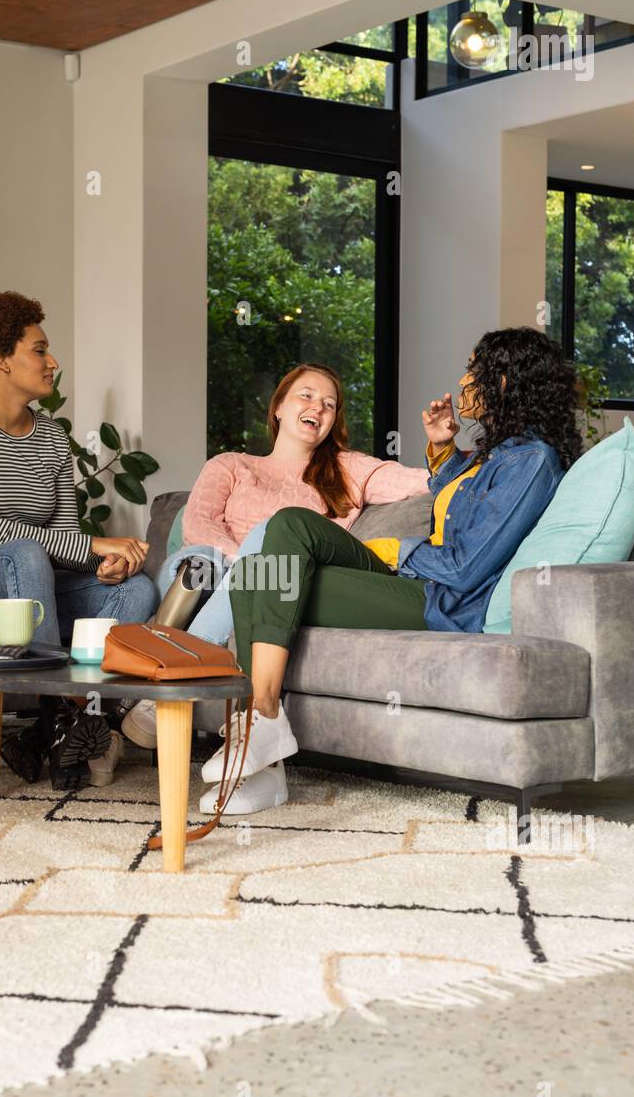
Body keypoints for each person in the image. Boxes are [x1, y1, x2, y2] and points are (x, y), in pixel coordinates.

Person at [203, 327, 581, 814]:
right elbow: (461, 505)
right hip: (412, 581)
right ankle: (265, 741)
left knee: (261, 575)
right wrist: (443, 448)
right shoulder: (501, 454)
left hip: (439, 601)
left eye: (475, 370)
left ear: (504, 382)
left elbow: (466, 567)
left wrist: (394, 551)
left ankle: (262, 721)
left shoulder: (533, 461)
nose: (464, 380)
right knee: (284, 533)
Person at [0, 291, 156, 790]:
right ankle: (64, 716)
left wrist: (101, 568)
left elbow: (64, 540)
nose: (54, 363)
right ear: (1, 358)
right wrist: (94, 547)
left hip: (31, 592)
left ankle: (50, 728)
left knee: (137, 591)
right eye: (40, 350)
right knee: (23, 552)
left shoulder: (50, 439)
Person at [121, 362, 429, 749]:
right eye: (307, 395)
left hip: (272, 582)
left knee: (273, 537)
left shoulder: (347, 469)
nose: (318, 407)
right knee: (207, 556)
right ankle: (176, 674)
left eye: (329, 404)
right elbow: (199, 525)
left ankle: (157, 688)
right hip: (200, 573)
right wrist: (247, 569)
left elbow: (418, 481)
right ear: (279, 406)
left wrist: (448, 448)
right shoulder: (231, 464)